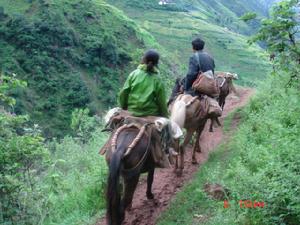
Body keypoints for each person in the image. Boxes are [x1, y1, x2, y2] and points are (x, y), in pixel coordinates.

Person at [118, 49, 169, 118]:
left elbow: (124, 93)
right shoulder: (158, 80)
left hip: (131, 112)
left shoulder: (133, 74)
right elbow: (161, 101)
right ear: (156, 63)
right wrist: (165, 116)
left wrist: (123, 107)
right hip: (151, 114)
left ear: (144, 59)